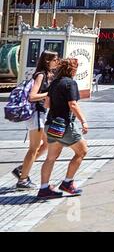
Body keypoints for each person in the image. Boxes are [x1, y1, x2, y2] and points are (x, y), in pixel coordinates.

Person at [38, 58, 89, 199]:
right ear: (72, 69)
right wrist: (83, 121)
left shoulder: (54, 83)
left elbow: (47, 104)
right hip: (63, 125)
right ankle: (67, 183)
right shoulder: (70, 83)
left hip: (51, 124)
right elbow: (73, 104)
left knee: (51, 157)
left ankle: (43, 189)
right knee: (82, 151)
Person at [12, 51, 59, 190]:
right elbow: (32, 96)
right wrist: (49, 94)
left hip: (41, 114)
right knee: (33, 148)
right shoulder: (40, 75)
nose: (57, 61)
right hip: (36, 115)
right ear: (47, 61)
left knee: (46, 144)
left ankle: (23, 168)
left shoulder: (47, 75)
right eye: (55, 59)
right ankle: (22, 181)